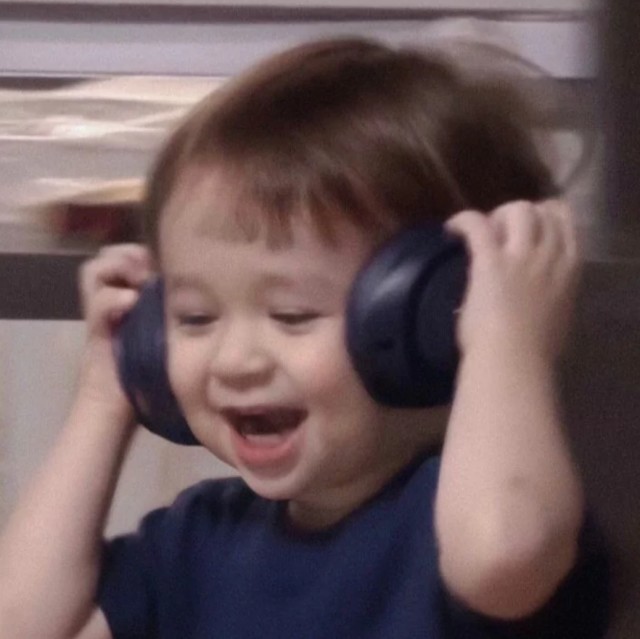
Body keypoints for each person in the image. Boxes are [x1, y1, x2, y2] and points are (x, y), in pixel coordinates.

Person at [0, 37, 609, 639]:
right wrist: (105, 395)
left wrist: (506, 340)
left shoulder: (476, 522)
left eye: (291, 315)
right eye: (194, 318)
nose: (234, 361)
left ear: (434, 312)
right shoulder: (198, 540)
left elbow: (502, 555)